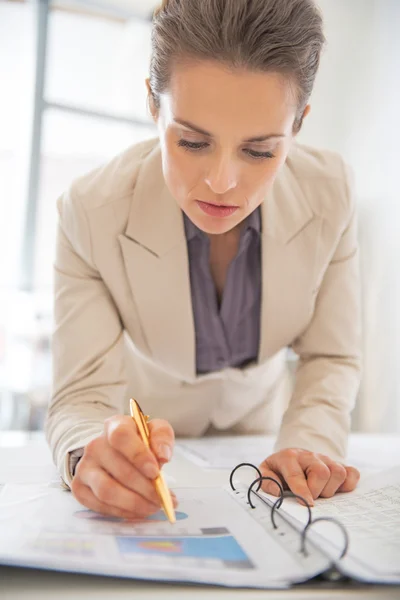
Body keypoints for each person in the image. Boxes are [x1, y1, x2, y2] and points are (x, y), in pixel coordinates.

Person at [45, 0, 362, 520]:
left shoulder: (331, 192)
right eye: (193, 141)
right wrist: (88, 455)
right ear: (153, 102)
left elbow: (330, 357)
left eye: (259, 151)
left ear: (299, 123)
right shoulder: (91, 211)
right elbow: (81, 393)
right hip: (144, 433)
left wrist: (311, 446)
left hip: (262, 437)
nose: (221, 182)